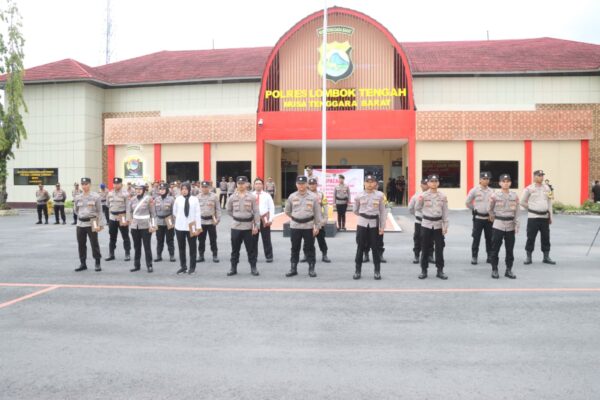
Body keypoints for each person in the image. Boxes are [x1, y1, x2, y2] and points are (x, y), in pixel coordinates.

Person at [284, 175, 321, 278]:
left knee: (310, 248)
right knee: (295, 248)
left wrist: (317, 226)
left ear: (306, 184)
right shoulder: (292, 196)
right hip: (295, 226)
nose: (301, 186)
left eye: (303, 183)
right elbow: (287, 211)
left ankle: (311, 268)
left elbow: (317, 213)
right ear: (296, 184)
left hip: (308, 226)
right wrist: (296, 217)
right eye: (299, 184)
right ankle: (293, 268)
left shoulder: (313, 197)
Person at [415, 174, 449, 280]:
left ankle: (440, 270)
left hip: (438, 225)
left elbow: (445, 212)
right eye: (432, 181)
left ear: (438, 183)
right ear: (428, 183)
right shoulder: (423, 196)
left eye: (436, 181)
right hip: (426, 224)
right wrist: (426, 214)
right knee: (424, 248)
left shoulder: (442, 196)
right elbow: (417, 207)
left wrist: (445, 225)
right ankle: (423, 270)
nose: (434, 183)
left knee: (439, 249)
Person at [353, 174, 386, 280]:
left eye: (372, 182)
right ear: (364, 183)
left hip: (374, 224)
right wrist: (364, 215)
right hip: (362, 224)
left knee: (375, 248)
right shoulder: (358, 196)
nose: (370, 184)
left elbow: (383, 212)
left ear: (375, 183)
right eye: (367, 182)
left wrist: (382, 227)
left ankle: (377, 271)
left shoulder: (380, 195)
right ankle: (357, 271)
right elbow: (355, 210)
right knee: (360, 248)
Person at [226, 176, 260, 276]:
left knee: (251, 249)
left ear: (247, 184)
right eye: (239, 183)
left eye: (243, 183)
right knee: (235, 249)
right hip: (236, 227)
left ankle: (253, 267)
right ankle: (233, 268)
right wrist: (237, 217)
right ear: (236, 184)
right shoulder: (232, 197)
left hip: (248, 227)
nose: (241, 185)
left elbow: (256, 212)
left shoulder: (252, 197)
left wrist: (257, 225)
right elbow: (228, 210)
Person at [521, 170, 556, 265]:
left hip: (544, 217)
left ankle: (546, 257)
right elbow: (522, 202)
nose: (541, 177)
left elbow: (549, 202)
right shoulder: (529, 188)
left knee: (546, 237)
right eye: (539, 175)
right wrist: (531, 207)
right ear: (534, 177)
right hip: (533, 217)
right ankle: (528, 257)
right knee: (531, 237)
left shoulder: (547, 188)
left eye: (542, 175)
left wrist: (550, 216)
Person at [488, 174, 519, 279]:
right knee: (495, 249)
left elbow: (517, 212)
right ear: (500, 183)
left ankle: (508, 270)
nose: (506, 183)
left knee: (510, 250)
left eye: (508, 181)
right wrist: (493, 217)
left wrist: (517, 224)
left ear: (510, 183)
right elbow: (490, 209)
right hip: (498, 225)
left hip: (510, 225)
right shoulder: (495, 195)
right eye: (503, 181)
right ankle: (494, 269)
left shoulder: (514, 196)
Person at [74, 177, 104, 272]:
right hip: (80, 223)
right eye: (82, 184)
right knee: (81, 244)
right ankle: (83, 263)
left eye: (86, 184)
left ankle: (97, 262)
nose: (84, 186)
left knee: (94, 243)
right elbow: (76, 210)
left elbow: (100, 211)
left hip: (92, 222)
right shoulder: (78, 197)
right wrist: (82, 215)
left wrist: (100, 224)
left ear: (90, 185)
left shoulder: (96, 196)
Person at [126, 182, 156, 273]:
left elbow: (152, 213)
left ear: (143, 190)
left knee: (147, 247)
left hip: (146, 226)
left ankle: (149, 265)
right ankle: (137, 265)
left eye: (140, 189)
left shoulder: (148, 199)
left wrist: (153, 225)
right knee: (136, 247)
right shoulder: (132, 199)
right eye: (137, 189)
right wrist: (129, 220)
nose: (138, 191)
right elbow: (129, 211)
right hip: (135, 226)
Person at [173, 181, 202, 275]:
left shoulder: (195, 199)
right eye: (182, 189)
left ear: (189, 189)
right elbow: (174, 212)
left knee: (192, 248)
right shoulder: (178, 199)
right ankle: (183, 266)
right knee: (181, 248)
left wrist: (198, 227)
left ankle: (192, 267)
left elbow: (197, 214)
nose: (184, 191)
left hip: (191, 227)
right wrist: (181, 219)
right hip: (180, 227)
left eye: (186, 189)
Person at [465, 171, 493, 265]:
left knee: (489, 238)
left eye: (487, 179)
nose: (486, 180)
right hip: (478, 218)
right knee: (476, 238)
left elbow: (494, 204)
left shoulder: (492, 191)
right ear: (480, 180)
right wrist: (474, 209)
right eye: (484, 179)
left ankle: (489, 256)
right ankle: (474, 256)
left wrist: (492, 213)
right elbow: (468, 202)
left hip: (489, 219)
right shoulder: (474, 190)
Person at [303, 177, 331, 263]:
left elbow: (325, 207)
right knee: (307, 239)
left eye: (313, 184)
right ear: (308, 185)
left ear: (316, 185)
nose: (312, 185)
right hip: (308, 221)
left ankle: (324, 254)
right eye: (310, 184)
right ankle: (306, 255)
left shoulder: (321, 195)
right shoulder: (304, 195)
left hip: (319, 220)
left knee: (321, 239)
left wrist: (325, 219)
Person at [105, 177, 132, 262]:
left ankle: (127, 253)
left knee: (125, 236)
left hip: (122, 216)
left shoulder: (125, 194)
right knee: (112, 236)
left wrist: (128, 219)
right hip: (112, 217)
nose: (116, 185)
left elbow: (128, 207)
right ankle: (111, 254)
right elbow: (107, 204)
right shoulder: (109, 193)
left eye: (117, 183)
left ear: (121, 184)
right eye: (114, 183)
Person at [197, 180, 221, 263]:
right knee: (201, 240)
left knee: (213, 239)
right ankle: (201, 255)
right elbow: (195, 210)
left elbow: (218, 209)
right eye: (203, 187)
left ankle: (215, 255)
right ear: (201, 188)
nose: (204, 189)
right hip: (201, 221)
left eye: (206, 187)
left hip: (211, 221)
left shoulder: (214, 196)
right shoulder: (197, 197)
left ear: (209, 187)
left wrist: (218, 219)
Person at [252, 178, 275, 263]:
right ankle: (253, 256)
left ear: (262, 185)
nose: (258, 185)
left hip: (264, 219)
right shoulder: (250, 195)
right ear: (254, 185)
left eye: (260, 184)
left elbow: (271, 207)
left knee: (266, 238)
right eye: (256, 184)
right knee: (253, 239)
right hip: (254, 220)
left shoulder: (267, 195)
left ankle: (269, 256)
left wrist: (271, 219)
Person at [408, 178, 430, 264]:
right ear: (421, 185)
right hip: (419, 221)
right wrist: (416, 215)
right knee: (417, 238)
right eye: (424, 184)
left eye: (427, 184)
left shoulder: (434, 195)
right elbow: (410, 208)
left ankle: (430, 255)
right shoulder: (416, 196)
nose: (426, 186)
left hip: (430, 222)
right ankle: (416, 255)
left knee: (430, 239)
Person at [154, 182, 176, 263]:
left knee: (170, 240)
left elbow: (174, 212)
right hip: (159, 221)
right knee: (159, 240)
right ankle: (159, 255)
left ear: (167, 190)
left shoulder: (171, 199)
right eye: (160, 189)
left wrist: (173, 223)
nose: (162, 190)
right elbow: (153, 212)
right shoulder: (156, 199)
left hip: (169, 220)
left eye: (163, 189)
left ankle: (172, 255)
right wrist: (153, 222)